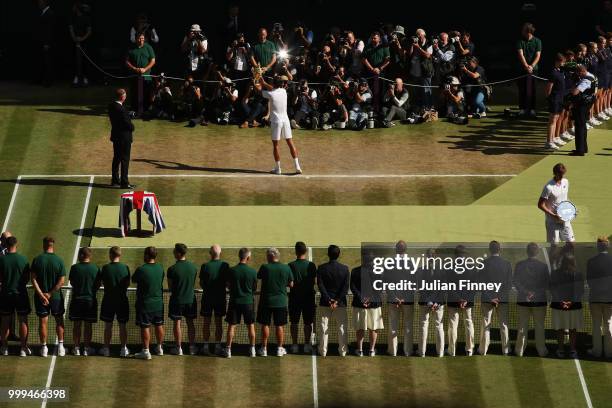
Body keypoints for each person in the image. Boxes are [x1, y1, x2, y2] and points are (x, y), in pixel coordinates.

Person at [31, 236, 66, 358]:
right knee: (59, 320)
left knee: (43, 322)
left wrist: (42, 295)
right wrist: (50, 294)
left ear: (44, 245)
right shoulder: (59, 260)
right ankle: (61, 346)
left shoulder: (37, 260)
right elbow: (62, 281)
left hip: (40, 298)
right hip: (56, 297)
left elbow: (33, 279)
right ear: (53, 245)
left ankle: (44, 347)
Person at [259, 75, 302, 175]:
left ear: (274, 84)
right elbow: (273, 89)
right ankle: (297, 167)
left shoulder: (270, 94)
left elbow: (259, 91)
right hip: (285, 121)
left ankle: (278, 169)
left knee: (276, 145)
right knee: (290, 143)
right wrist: (264, 82)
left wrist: (256, 81)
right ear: (281, 84)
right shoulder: (283, 91)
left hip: (276, 122)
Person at [514, 242, 550, 357]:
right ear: (537, 252)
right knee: (539, 327)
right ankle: (541, 350)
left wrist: (526, 293)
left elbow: (516, 282)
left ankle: (519, 350)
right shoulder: (543, 266)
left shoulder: (519, 265)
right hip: (539, 301)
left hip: (523, 301)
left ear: (527, 252)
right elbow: (546, 284)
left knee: (522, 327)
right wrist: (535, 294)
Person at [256, 248, 293, 357]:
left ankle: (264, 349)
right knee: (279, 326)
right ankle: (279, 349)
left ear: (270, 257)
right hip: (281, 302)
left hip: (266, 302)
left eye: (267, 255)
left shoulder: (264, 267)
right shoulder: (286, 268)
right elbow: (291, 284)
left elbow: (259, 277)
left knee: (265, 324)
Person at [478, 241, 512, 356]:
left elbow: (481, 283)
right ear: (500, 249)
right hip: (502, 299)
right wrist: (499, 297)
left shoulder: (484, 263)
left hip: (487, 299)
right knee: (504, 325)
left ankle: (483, 350)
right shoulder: (507, 264)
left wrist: (490, 298)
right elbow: (508, 284)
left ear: (489, 249)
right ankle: (506, 350)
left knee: (486, 324)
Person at [550, 244, 583, 358]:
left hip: (559, 307)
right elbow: (580, 291)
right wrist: (570, 303)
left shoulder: (554, 273)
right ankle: (572, 349)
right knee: (573, 328)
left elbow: (553, 290)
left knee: (560, 328)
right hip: (573, 307)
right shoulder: (578, 274)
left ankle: (560, 349)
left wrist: (562, 302)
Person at [223, 248, 258, 358]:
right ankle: (252, 349)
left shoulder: (232, 271)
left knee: (231, 326)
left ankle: (228, 350)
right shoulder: (252, 272)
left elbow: (227, 285)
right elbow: (254, 288)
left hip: (234, 302)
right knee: (251, 326)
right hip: (248, 302)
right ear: (248, 257)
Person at [0, 236, 31, 357]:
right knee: (23, 320)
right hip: (21, 294)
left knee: (5, 321)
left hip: (6, 294)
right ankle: (23, 348)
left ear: (6, 245)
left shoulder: (1, 260)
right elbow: (26, 277)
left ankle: (4, 347)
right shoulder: (23, 259)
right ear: (16, 244)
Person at [316, 245, 349, 357]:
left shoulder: (321, 268)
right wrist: (337, 301)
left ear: (328, 254)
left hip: (325, 303)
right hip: (340, 304)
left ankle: (323, 351)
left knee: (323, 327)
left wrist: (329, 300)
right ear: (338, 255)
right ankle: (343, 351)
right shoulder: (345, 269)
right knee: (342, 328)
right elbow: (345, 288)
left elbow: (320, 285)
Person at [132, 247, 165, 360]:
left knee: (145, 327)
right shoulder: (160, 268)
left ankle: (146, 351)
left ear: (147, 255)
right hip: (158, 304)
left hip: (145, 304)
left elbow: (134, 279)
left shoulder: (141, 269)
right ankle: (160, 348)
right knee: (159, 324)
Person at [97, 246, 130, 357]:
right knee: (122, 326)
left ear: (111, 255)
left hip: (108, 301)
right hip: (122, 300)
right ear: (119, 255)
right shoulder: (125, 267)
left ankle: (106, 348)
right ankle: (123, 349)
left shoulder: (105, 268)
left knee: (108, 325)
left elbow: (102, 283)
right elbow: (127, 284)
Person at [167, 243, 198, 356]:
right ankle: (192, 347)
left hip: (177, 301)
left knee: (177, 323)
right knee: (190, 323)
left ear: (179, 253)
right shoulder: (193, 268)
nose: (173, 252)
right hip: (190, 300)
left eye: (174, 251)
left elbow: (170, 287)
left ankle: (178, 348)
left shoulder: (171, 269)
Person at [386, 240, 416, 357]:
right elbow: (413, 283)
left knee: (393, 325)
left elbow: (387, 283)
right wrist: (403, 298)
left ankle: (393, 351)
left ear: (396, 249)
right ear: (406, 249)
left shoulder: (390, 263)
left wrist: (395, 298)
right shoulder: (411, 263)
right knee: (408, 326)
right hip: (407, 299)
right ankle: (408, 351)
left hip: (393, 300)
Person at [68, 247, 99, 356]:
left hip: (77, 301)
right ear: (89, 256)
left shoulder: (74, 268)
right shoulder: (95, 268)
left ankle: (76, 348)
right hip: (90, 301)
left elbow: (72, 282)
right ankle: (86, 348)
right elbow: (97, 284)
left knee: (77, 324)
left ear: (81, 255)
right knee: (88, 325)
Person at [200, 244, 230, 356]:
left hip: (207, 298)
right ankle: (217, 346)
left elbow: (201, 283)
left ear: (210, 253)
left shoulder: (205, 266)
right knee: (218, 323)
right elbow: (228, 284)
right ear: (220, 253)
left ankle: (206, 346)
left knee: (206, 323)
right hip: (220, 299)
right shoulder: (225, 266)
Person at [446, 245, 475, 356]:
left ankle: (452, 351)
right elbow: (473, 286)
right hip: (467, 301)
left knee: (453, 325)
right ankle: (469, 350)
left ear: (455, 254)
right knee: (469, 323)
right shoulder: (471, 267)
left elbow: (449, 285)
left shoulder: (449, 267)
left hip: (454, 300)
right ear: (465, 254)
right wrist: (465, 299)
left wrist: (458, 298)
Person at [288, 241, 317, 354]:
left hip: (294, 298)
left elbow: (289, 282)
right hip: (308, 298)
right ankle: (306, 345)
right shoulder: (312, 265)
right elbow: (314, 281)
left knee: (294, 322)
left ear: (296, 252)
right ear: (305, 251)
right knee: (308, 323)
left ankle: (294, 345)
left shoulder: (291, 265)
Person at [586, 237, 612, 358]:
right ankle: (609, 352)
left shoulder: (591, 261)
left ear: (598, 247)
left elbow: (590, 281)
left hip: (595, 297)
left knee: (596, 325)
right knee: (609, 324)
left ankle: (597, 351)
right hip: (609, 298)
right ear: (608, 246)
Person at [351, 261, 383, 357]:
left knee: (360, 327)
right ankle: (372, 351)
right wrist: (370, 298)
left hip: (360, 304)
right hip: (374, 304)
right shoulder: (379, 271)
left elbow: (353, 287)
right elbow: (379, 287)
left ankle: (360, 351)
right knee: (373, 328)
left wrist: (362, 298)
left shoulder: (355, 271)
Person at [417, 249, 445, 357]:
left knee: (423, 326)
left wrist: (429, 302)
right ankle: (440, 352)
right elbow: (443, 288)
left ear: (426, 257)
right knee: (439, 326)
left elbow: (421, 287)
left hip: (425, 302)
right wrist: (436, 302)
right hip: (438, 303)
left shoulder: (420, 270)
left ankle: (422, 352)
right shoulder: (442, 271)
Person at [538, 163, 575, 244]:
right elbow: (540, 205)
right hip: (552, 221)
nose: (562, 177)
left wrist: (572, 209)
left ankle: (564, 256)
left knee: (571, 243)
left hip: (564, 219)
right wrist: (553, 215)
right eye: (560, 174)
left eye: (563, 174)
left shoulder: (566, 182)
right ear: (555, 173)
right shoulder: (548, 187)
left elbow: (565, 198)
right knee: (554, 246)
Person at [108, 88, 135, 189]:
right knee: (125, 159)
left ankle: (115, 181)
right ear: (122, 97)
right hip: (124, 138)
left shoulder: (111, 106)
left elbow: (119, 119)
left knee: (117, 158)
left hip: (116, 136)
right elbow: (128, 125)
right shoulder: (122, 109)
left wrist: (128, 116)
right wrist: (132, 125)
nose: (126, 96)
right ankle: (124, 182)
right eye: (125, 94)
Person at [568, 64, 597, 156]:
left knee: (579, 126)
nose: (578, 75)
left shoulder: (586, 80)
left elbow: (575, 92)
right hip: (588, 102)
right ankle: (584, 148)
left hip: (582, 105)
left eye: (579, 73)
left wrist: (575, 83)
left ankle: (580, 150)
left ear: (582, 71)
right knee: (583, 125)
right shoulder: (592, 76)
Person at [126, 32, 156, 116]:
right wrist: (135, 69)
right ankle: (134, 111)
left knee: (146, 93)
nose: (141, 40)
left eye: (142, 38)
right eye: (139, 38)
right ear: (135, 39)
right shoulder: (131, 48)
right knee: (135, 93)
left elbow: (153, 60)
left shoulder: (148, 47)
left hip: (146, 76)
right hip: (134, 75)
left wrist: (145, 69)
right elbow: (127, 61)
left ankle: (146, 111)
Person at [516, 23, 542, 118]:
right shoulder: (520, 41)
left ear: (528, 31)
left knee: (532, 89)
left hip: (533, 70)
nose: (522, 32)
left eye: (523, 30)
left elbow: (538, 55)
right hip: (522, 69)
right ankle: (522, 109)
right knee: (522, 89)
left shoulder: (537, 41)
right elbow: (520, 54)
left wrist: (531, 66)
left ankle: (532, 109)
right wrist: (526, 66)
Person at [362, 32, 390, 114]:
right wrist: (372, 68)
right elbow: (364, 59)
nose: (373, 40)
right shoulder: (367, 47)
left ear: (379, 39)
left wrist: (380, 68)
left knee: (381, 91)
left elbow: (388, 60)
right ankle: (371, 110)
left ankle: (380, 111)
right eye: (372, 38)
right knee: (370, 92)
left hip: (381, 73)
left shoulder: (384, 47)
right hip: (370, 73)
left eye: (375, 38)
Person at [545, 54, 568, 150]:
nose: (564, 64)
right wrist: (549, 98)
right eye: (562, 62)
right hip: (555, 99)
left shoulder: (561, 72)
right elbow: (548, 88)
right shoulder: (553, 73)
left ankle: (553, 139)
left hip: (560, 99)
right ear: (557, 62)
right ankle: (548, 142)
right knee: (552, 121)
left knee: (557, 119)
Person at [408, 28, 434, 112]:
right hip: (416, 72)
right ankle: (420, 109)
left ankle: (428, 109)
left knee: (426, 91)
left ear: (424, 35)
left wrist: (418, 47)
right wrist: (413, 44)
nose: (418, 37)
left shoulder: (429, 43)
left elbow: (427, 55)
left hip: (426, 71)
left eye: (419, 35)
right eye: (417, 35)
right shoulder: (416, 43)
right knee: (418, 92)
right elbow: (410, 54)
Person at [69, 1, 92, 87]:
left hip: (84, 43)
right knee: (76, 61)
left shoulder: (86, 18)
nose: (73, 8)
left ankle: (85, 78)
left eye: (74, 7)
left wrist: (82, 39)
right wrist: (75, 39)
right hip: (75, 43)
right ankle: (77, 77)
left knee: (84, 61)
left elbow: (89, 31)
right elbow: (71, 29)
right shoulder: (72, 18)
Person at [37, 0, 56, 87]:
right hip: (43, 41)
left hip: (47, 42)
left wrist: (47, 43)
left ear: (44, 3)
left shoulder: (49, 13)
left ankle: (49, 81)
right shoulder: (43, 12)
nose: (39, 4)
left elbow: (49, 30)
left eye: (40, 3)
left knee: (48, 62)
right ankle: (44, 80)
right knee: (44, 61)